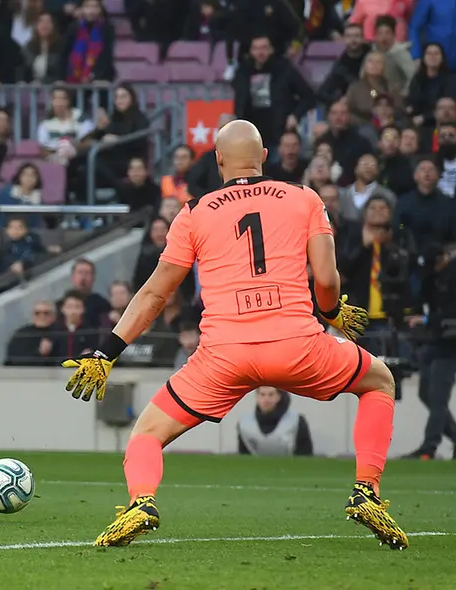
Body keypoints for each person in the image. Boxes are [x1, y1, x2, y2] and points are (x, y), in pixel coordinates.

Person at [63, 120, 407, 550]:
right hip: (297, 344)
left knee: (147, 433)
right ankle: (367, 492)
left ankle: (141, 502)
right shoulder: (304, 198)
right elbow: (326, 277)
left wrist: (107, 353)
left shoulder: (194, 212)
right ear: (264, 157)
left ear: (218, 159)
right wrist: (332, 311)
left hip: (223, 355)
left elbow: (156, 292)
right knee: (379, 381)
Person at [237, 387, 314, 456]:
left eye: (271, 395)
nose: (266, 400)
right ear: (257, 397)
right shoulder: (245, 424)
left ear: (279, 396)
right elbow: (243, 457)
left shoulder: (296, 421)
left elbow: (306, 456)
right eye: (262, 395)